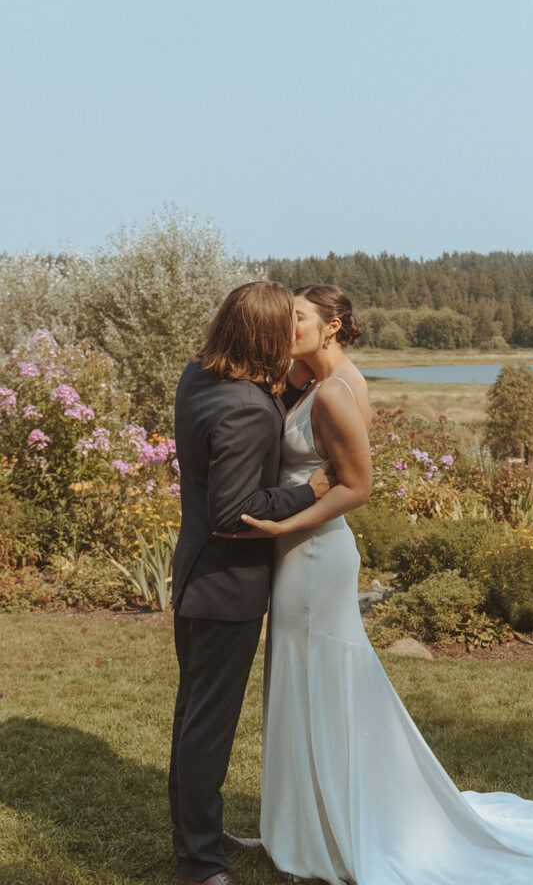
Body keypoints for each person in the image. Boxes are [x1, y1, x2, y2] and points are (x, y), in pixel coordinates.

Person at [233, 283, 533, 885]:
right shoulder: (307, 379)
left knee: (320, 682)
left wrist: (282, 523)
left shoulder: (337, 392)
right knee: (298, 681)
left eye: (298, 317)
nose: (286, 325)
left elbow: (357, 488)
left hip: (314, 555)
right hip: (299, 554)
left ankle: (328, 834)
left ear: (333, 326)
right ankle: (294, 826)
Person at [169, 280, 333, 885]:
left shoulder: (200, 377)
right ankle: (201, 865)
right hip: (224, 586)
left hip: (196, 577)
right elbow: (233, 511)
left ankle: (199, 839)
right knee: (207, 727)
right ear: (264, 336)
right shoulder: (242, 406)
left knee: (195, 717)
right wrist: (306, 491)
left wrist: (289, 388)